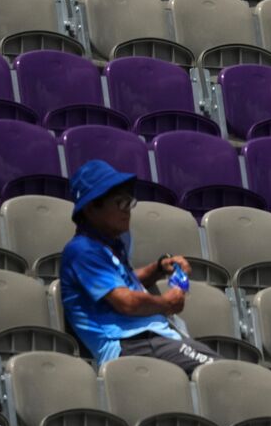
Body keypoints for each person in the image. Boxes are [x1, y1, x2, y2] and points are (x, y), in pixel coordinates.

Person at [59, 160, 219, 373]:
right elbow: (127, 303)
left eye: (129, 202)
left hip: (150, 342)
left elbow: (124, 283)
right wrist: (166, 303)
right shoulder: (83, 251)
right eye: (120, 203)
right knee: (219, 373)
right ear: (90, 208)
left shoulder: (107, 246)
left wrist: (158, 268)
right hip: (131, 346)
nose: (127, 211)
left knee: (226, 373)